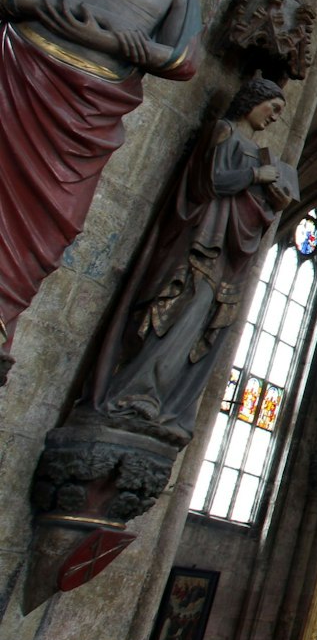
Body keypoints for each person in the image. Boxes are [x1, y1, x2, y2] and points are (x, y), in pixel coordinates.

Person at [0, 0, 200, 350]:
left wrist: (118, 42)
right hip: (22, 81)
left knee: (53, 222)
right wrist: (44, 5)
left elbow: (182, 58)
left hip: (87, 116)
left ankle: (3, 314)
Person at [85, 77, 293, 444]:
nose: (274, 118)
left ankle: (162, 400)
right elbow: (207, 180)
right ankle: (135, 391)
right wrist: (255, 175)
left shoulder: (250, 145)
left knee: (200, 319)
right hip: (201, 239)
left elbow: (251, 205)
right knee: (176, 307)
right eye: (272, 108)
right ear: (251, 101)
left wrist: (272, 200)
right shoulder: (224, 131)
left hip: (225, 250)